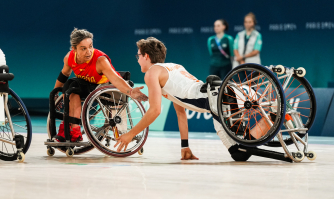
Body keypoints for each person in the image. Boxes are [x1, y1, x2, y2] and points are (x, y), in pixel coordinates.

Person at [114, 37, 251, 162]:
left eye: (138, 55)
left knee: (244, 148)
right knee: (240, 153)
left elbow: (155, 110)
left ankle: (271, 121)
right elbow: (180, 112)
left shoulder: (152, 73)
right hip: (219, 94)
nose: (137, 60)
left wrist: (130, 134)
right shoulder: (173, 67)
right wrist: (185, 147)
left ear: (146, 56)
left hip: (216, 100)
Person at [53, 28, 147, 142]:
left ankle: (73, 131)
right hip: (87, 87)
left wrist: (131, 91)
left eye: (90, 46)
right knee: (70, 86)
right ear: (74, 49)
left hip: (106, 88)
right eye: (83, 49)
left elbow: (116, 80)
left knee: (73, 86)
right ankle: (73, 129)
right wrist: (55, 93)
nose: (89, 51)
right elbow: (64, 75)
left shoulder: (100, 60)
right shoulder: (69, 58)